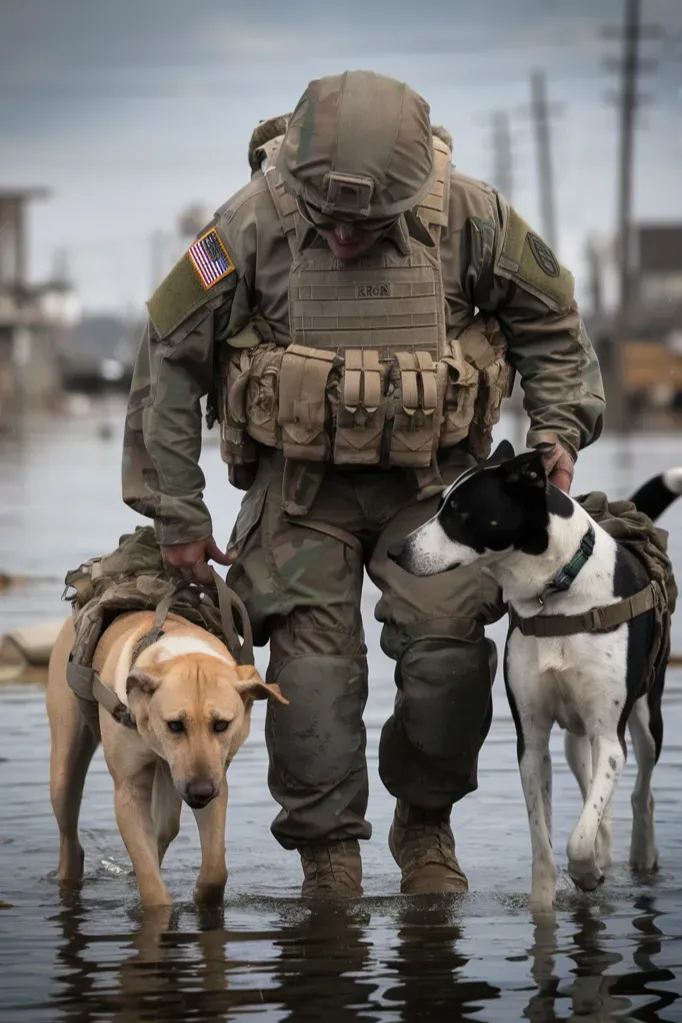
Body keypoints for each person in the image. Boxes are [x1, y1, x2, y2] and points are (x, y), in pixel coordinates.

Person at [122, 70, 605, 898]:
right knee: (309, 682)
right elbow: (167, 359)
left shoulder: (471, 216)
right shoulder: (246, 225)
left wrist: (558, 428)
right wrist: (177, 511)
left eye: (366, 223)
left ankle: (425, 825)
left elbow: (553, 324)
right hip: (301, 495)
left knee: (450, 660)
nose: (344, 238)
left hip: (437, 492)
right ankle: (328, 859)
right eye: (328, 221)